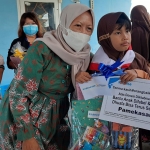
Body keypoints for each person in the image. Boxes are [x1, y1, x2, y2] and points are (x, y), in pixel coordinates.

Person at [0, 3, 94, 150]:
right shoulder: (42, 49)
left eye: (88, 29)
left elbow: (106, 69)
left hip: (57, 120)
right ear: (64, 24)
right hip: (27, 118)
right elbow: (18, 94)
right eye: (77, 25)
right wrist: (27, 135)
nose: (83, 33)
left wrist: (136, 73)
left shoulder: (84, 56)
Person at [76, 12, 150, 150]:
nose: (125, 36)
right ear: (104, 37)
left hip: (131, 129)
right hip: (101, 130)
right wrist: (78, 77)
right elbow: (82, 94)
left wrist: (139, 73)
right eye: (117, 32)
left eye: (127, 31)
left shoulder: (136, 59)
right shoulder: (93, 63)